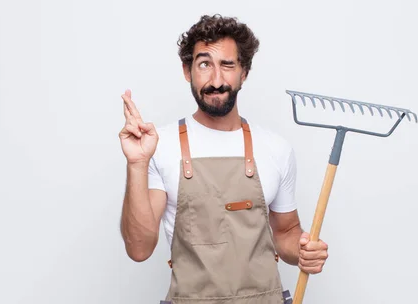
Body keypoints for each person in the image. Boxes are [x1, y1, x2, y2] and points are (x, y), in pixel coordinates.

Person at [119, 14, 329, 303]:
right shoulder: (160, 146)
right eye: (204, 64)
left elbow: (286, 232)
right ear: (187, 71)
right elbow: (139, 249)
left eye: (227, 65)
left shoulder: (275, 148)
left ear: (244, 72)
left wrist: (304, 249)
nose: (216, 80)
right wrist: (137, 164)